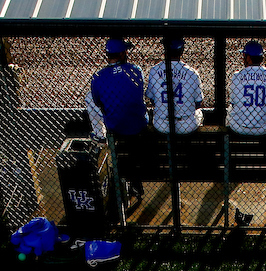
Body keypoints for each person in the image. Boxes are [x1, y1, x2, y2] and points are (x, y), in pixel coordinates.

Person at [86, 37, 148, 204]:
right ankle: (136, 183)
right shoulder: (135, 70)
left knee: (91, 101)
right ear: (122, 53)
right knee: (135, 151)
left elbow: (97, 102)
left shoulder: (98, 76)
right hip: (139, 126)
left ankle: (100, 135)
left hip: (116, 127)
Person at [145, 36, 204, 135]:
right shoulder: (192, 73)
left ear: (165, 50)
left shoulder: (154, 70)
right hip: (187, 125)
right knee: (199, 113)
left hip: (161, 124)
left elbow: (151, 99)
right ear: (181, 51)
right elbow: (198, 103)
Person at [227, 40, 266, 136]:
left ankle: (227, 147)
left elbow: (234, 104)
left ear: (248, 58)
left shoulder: (237, 76)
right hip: (264, 128)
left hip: (239, 127)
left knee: (229, 110)